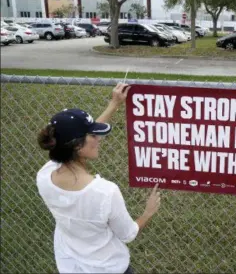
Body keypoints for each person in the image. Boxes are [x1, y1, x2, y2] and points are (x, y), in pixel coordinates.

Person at [36, 83, 161, 274]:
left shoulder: (44, 176)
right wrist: (148, 212)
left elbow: (78, 137)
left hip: (70, 266)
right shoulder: (104, 192)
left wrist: (114, 104)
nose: (99, 139)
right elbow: (128, 234)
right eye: (94, 135)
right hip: (109, 268)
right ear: (77, 146)